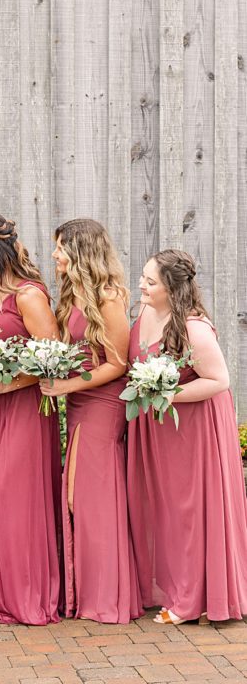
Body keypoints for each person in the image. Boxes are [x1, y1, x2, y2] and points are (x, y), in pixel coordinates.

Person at [127, 249, 247, 624]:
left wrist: (164, 394)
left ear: (171, 289)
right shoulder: (147, 312)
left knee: (190, 511)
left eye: (150, 282)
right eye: (143, 278)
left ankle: (192, 599)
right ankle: (174, 585)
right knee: (164, 508)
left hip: (193, 431)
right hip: (160, 430)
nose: (142, 286)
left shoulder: (193, 328)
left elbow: (219, 381)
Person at [40, 219, 142, 623]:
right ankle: (85, 593)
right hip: (80, 401)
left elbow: (118, 364)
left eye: (61, 247)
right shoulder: (71, 294)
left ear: (81, 250)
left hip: (104, 402)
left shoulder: (109, 296)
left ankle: (107, 597)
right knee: (76, 496)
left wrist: (66, 385)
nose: (55, 255)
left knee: (88, 495)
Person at [0, 212, 62, 625]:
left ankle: (29, 595)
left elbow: (54, 358)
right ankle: (0, 594)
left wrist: (11, 382)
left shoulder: (28, 296)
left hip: (25, 408)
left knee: (17, 498)